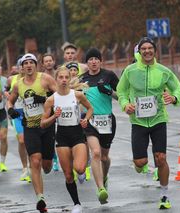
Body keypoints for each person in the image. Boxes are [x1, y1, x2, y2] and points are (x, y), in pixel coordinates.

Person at [116, 37, 180, 209]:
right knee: (140, 162)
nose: (147, 51)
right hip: (138, 121)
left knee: (161, 158)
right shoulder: (130, 71)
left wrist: (174, 97)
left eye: (150, 48)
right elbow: (121, 90)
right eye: (143, 48)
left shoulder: (163, 71)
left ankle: (164, 195)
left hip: (158, 119)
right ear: (139, 52)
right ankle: (139, 165)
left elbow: (178, 88)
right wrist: (125, 104)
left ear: (155, 51)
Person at [7, 53, 56, 212]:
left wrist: (44, 100)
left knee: (46, 166)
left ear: (36, 65)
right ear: (22, 67)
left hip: (47, 125)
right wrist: (10, 109)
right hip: (30, 126)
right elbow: (10, 100)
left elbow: (59, 95)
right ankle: (40, 197)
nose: (28, 65)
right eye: (25, 63)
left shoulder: (45, 79)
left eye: (31, 62)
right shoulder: (18, 85)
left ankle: (48, 164)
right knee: (35, 161)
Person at [40, 67, 93, 213]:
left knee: (80, 168)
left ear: (70, 79)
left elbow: (90, 109)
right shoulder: (51, 100)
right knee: (69, 175)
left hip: (77, 134)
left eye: (66, 77)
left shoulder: (77, 95)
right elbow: (43, 123)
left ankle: (83, 169)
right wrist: (54, 117)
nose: (63, 80)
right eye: (61, 77)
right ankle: (77, 204)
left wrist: (86, 120)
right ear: (56, 79)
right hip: (62, 136)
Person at [79, 48, 119, 204]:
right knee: (95, 153)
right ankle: (101, 188)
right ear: (87, 62)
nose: (93, 61)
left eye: (96, 59)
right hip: (90, 121)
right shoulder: (82, 79)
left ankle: (105, 176)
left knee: (104, 157)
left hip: (107, 120)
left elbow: (121, 95)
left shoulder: (109, 76)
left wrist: (108, 92)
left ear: (100, 61)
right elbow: (76, 99)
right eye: (90, 59)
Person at [6, 58, 31, 182]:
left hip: (31, 114)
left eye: (26, 64)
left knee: (31, 140)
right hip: (18, 113)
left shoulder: (32, 79)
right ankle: (24, 168)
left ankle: (32, 166)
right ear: (18, 67)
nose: (23, 67)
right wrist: (8, 97)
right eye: (21, 65)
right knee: (21, 141)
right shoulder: (13, 79)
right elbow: (6, 91)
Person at [41, 53, 60, 172]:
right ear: (43, 64)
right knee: (51, 136)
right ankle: (55, 159)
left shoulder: (59, 74)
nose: (48, 63)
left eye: (50, 60)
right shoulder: (41, 78)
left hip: (61, 107)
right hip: (48, 110)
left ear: (53, 61)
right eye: (46, 61)